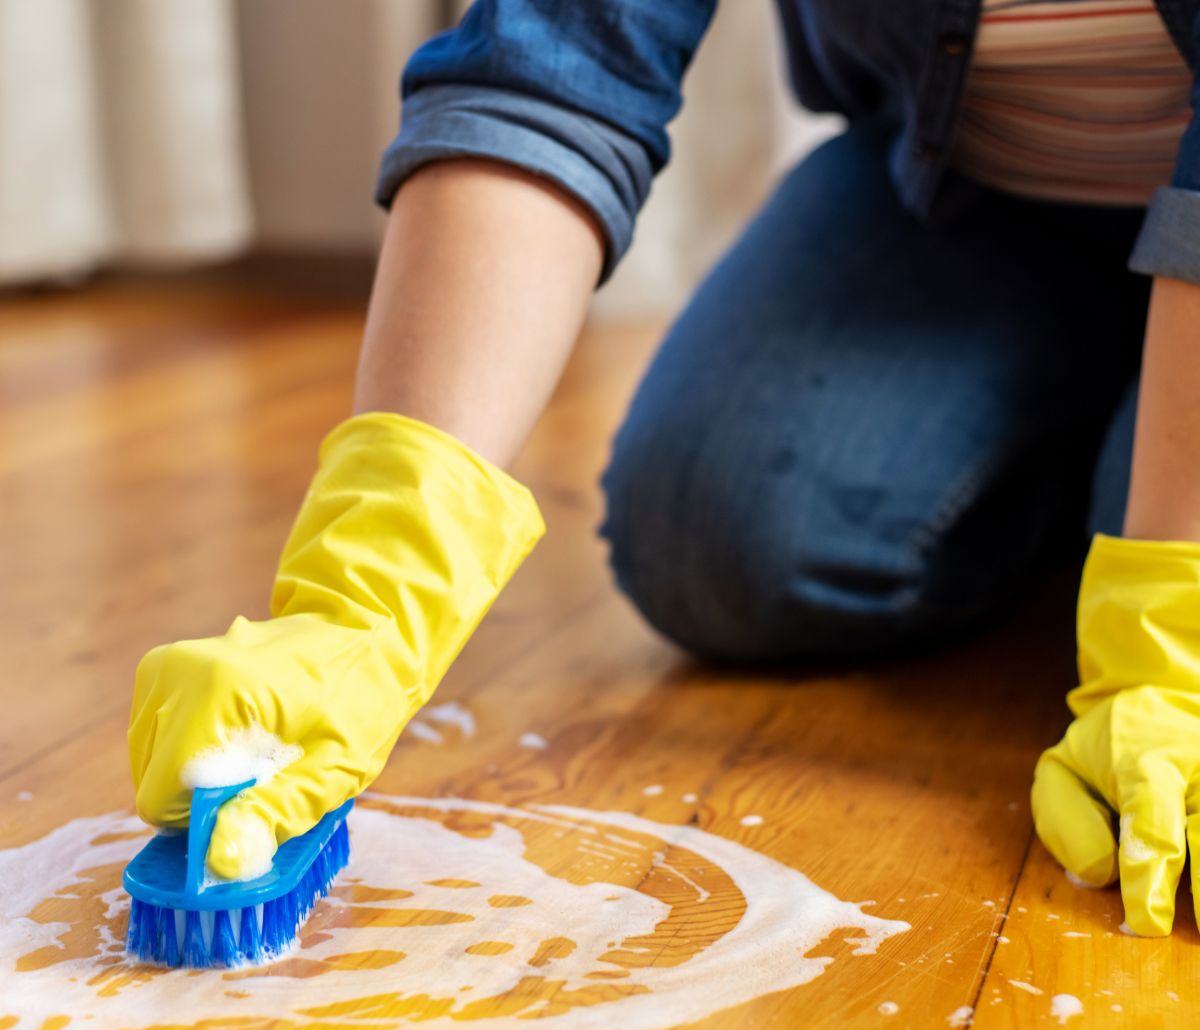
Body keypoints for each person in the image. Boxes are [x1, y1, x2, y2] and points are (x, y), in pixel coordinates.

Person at [128, 1, 1200, 935]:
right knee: (710, 534)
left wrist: (1170, 621)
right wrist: (361, 596)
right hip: (968, 194)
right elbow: (550, 74)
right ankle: (1114, 445)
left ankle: (1135, 470)